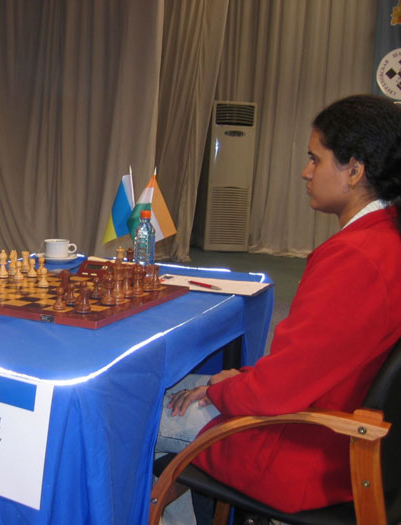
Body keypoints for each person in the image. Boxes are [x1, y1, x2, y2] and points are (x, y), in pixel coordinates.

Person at [157, 94, 401, 518]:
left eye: (315, 159)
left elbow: (277, 392)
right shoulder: (386, 239)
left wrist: (220, 389)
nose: (306, 172)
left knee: (129, 412)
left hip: (304, 452)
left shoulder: (355, 258)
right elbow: (314, 364)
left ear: (354, 170)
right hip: (341, 434)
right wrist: (237, 380)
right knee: (194, 387)